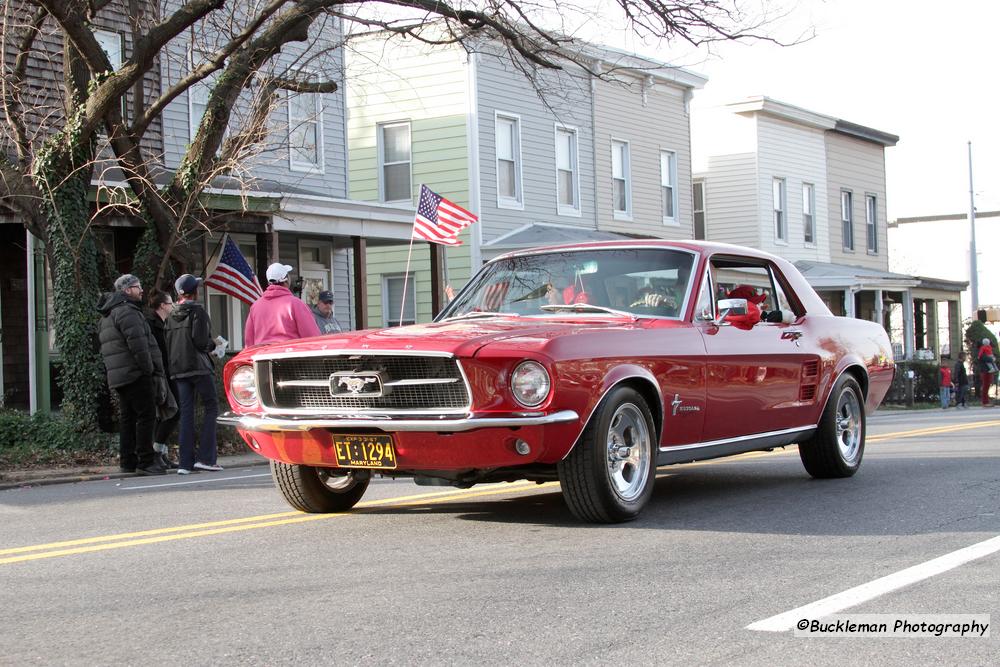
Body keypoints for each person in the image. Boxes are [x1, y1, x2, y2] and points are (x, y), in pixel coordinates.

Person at [97, 274, 167, 475]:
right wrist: (149, 370)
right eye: (138, 287)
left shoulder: (108, 315)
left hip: (118, 375)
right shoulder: (128, 312)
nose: (142, 290)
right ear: (127, 290)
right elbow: (139, 346)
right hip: (135, 373)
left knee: (127, 418)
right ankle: (145, 460)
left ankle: (128, 461)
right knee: (146, 416)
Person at [165, 274, 221, 474]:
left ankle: (185, 463)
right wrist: (214, 344)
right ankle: (206, 458)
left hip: (178, 369)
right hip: (199, 367)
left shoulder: (170, 315)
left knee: (186, 413)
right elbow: (200, 342)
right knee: (211, 407)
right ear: (194, 292)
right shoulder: (198, 311)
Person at [244, 263, 321, 346]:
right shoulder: (295, 304)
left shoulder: (256, 306)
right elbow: (312, 337)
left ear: (269, 282)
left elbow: (249, 342)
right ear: (286, 280)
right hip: (288, 356)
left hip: (262, 356)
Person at [146, 290, 179, 468]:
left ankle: (162, 452)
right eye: (170, 302)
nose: (172, 305)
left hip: (168, 370)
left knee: (167, 412)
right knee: (172, 410)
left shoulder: (165, 323)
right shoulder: (152, 324)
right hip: (161, 373)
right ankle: (157, 450)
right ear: (162, 305)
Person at [978, 337, 996, 407]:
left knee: (987, 385)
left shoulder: (986, 350)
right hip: (985, 371)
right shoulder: (983, 353)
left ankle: (986, 401)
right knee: (985, 385)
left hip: (988, 371)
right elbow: (988, 359)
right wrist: (992, 358)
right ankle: (985, 402)